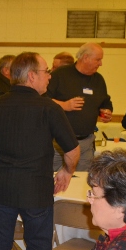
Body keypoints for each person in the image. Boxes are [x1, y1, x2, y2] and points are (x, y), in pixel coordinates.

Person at [0, 52, 79, 250]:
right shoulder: (50, 108)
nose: (50, 77)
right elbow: (72, 150)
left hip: (1, 188)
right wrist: (66, 171)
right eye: (46, 72)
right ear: (32, 76)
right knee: (38, 249)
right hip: (36, 191)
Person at [46, 42, 113, 171]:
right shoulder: (60, 74)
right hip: (58, 143)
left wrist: (107, 110)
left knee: (82, 181)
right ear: (85, 58)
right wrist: (63, 105)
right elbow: (42, 99)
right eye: (98, 59)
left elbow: (105, 101)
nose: (101, 64)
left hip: (85, 143)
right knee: (53, 179)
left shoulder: (98, 80)